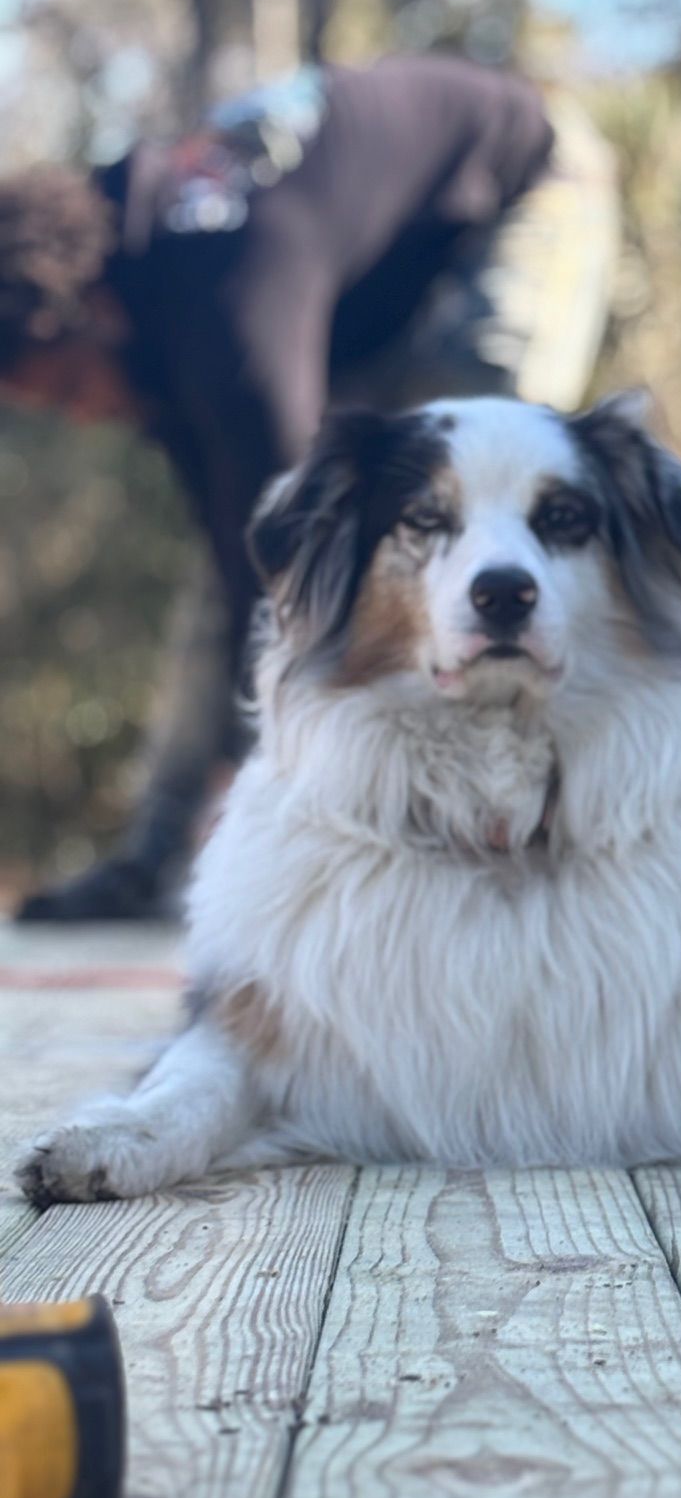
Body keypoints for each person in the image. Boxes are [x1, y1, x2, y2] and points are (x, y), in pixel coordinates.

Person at [0, 54, 618, 920]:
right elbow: (242, 560)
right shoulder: (137, 278)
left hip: (518, 182)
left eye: (66, 389)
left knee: (477, 474)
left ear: (88, 315)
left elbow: (310, 584)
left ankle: (508, 831)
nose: (83, 417)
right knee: (247, 552)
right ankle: (153, 859)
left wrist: (280, 784)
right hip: (377, 291)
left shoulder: (228, 316)